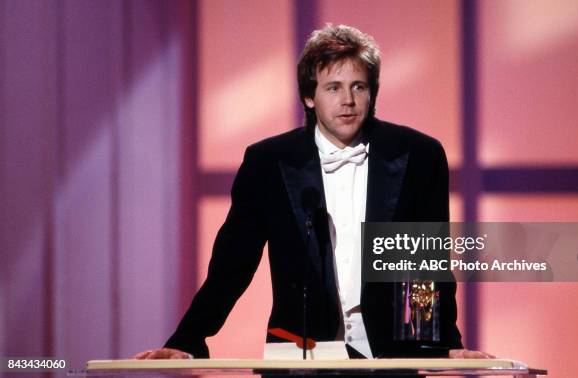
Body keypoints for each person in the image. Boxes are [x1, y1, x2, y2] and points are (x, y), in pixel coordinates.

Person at [135, 24, 492, 360]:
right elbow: (233, 263)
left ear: (372, 92)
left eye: (359, 87)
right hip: (298, 353)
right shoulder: (268, 161)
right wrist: (187, 338)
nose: (348, 100)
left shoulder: (419, 155)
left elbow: (426, 265)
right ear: (309, 96)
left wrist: (443, 342)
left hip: (390, 358)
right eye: (333, 87)